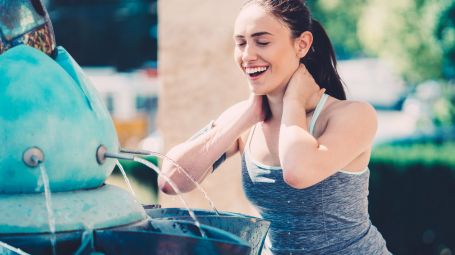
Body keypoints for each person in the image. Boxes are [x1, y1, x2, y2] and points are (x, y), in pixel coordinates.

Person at [159, 0, 391, 254]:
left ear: (302, 44)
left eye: (262, 42)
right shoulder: (246, 121)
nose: (247, 55)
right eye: (240, 43)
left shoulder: (351, 115)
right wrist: (244, 117)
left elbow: (298, 172)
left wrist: (294, 101)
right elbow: (171, 181)